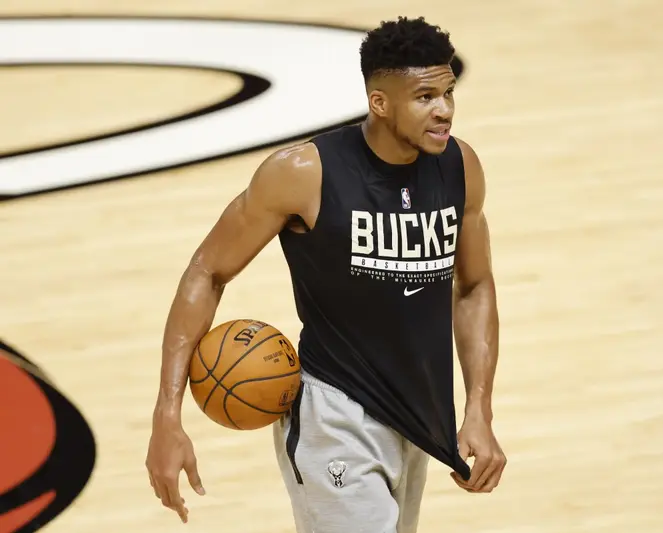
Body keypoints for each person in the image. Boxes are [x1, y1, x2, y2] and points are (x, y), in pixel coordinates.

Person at [145, 15, 506, 533]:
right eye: (425, 97)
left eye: (448, 92)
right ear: (380, 102)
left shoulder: (460, 167)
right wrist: (167, 415)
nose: (445, 109)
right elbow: (207, 270)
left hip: (417, 418)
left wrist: (478, 408)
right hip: (335, 417)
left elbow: (473, 287)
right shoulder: (303, 174)